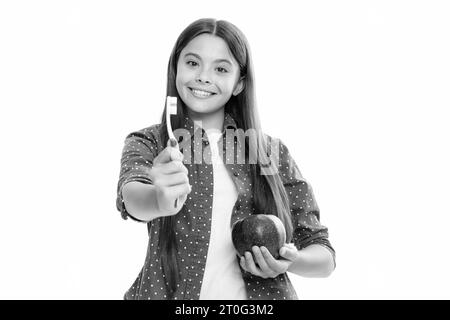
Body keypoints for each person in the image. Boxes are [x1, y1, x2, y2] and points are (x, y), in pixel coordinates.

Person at [115, 18, 336, 300]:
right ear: (175, 68)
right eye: (193, 63)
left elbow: (323, 255)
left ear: (239, 84)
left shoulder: (270, 152)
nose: (204, 76)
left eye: (220, 68)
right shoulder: (151, 142)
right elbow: (132, 198)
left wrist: (290, 260)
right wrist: (159, 198)